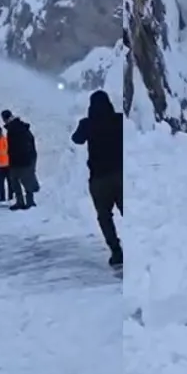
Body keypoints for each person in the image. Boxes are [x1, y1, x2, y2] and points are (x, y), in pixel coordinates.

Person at [72, 89, 123, 267]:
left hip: (99, 179)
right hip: (120, 175)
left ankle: (116, 251)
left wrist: (85, 124)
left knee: (104, 217)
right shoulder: (119, 120)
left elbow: (76, 139)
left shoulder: (87, 124)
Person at [2, 109, 39, 210]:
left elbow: (17, 146)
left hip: (19, 160)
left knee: (19, 182)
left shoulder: (14, 129)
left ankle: (23, 202)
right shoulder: (20, 127)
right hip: (22, 159)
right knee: (22, 181)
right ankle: (27, 202)